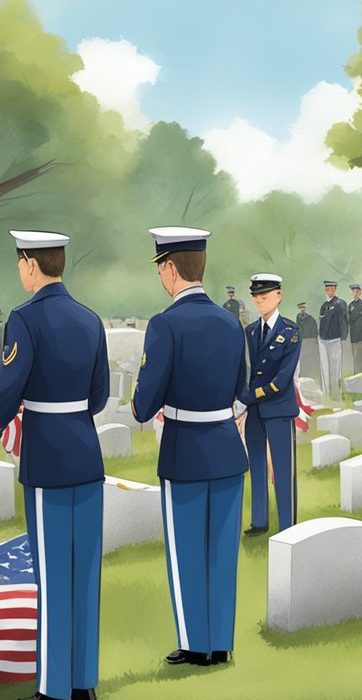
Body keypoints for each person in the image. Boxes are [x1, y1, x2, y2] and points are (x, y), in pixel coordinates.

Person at [0, 230, 110, 700]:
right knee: (85, 571)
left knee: (52, 575)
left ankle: (54, 688)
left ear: (31, 264)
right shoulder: (91, 320)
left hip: (47, 456)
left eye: (19, 263)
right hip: (85, 453)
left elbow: (10, 388)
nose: (18, 271)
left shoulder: (25, 320)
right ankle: (84, 682)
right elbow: (99, 395)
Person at [130, 226, 247, 667]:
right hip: (226, 448)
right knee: (222, 552)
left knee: (186, 553)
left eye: (162, 267)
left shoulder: (165, 324)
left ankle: (196, 645)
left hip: (185, 449)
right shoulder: (230, 321)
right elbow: (241, 387)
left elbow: (144, 405)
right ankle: (221, 644)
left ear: (171, 268)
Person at [236, 273, 301, 536]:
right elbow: (247, 369)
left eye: (265, 296)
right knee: (257, 466)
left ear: (278, 296)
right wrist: (242, 394)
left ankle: (288, 525)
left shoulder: (290, 331)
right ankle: (259, 521)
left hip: (278, 408)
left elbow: (282, 379)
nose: (260, 301)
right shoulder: (250, 331)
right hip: (254, 412)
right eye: (256, 297)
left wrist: (250, 396)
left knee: (283, 470)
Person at [318, 281, 349, 400]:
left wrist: (343, 336)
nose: (329, 291)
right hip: (323, 340)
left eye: (331, 289)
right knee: (325, 369)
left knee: (335, 369)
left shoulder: (340, 304)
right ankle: (327, 395)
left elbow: (344, 321)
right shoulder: (324, 306)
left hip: (335, 340)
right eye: (327, 289)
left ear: (335, 289)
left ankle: (337, 395)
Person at [295, 301, 320, 381]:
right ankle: (303, 373)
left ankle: (309, 374)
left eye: (303, 308)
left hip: (309, 340)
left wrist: (314, 339)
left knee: (309, 357)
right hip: (302, 340)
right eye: (300, 308)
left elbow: (314, 330)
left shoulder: (310, 318)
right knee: (302, 358)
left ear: (305, 309)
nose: (302, 309)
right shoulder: (298, 317)